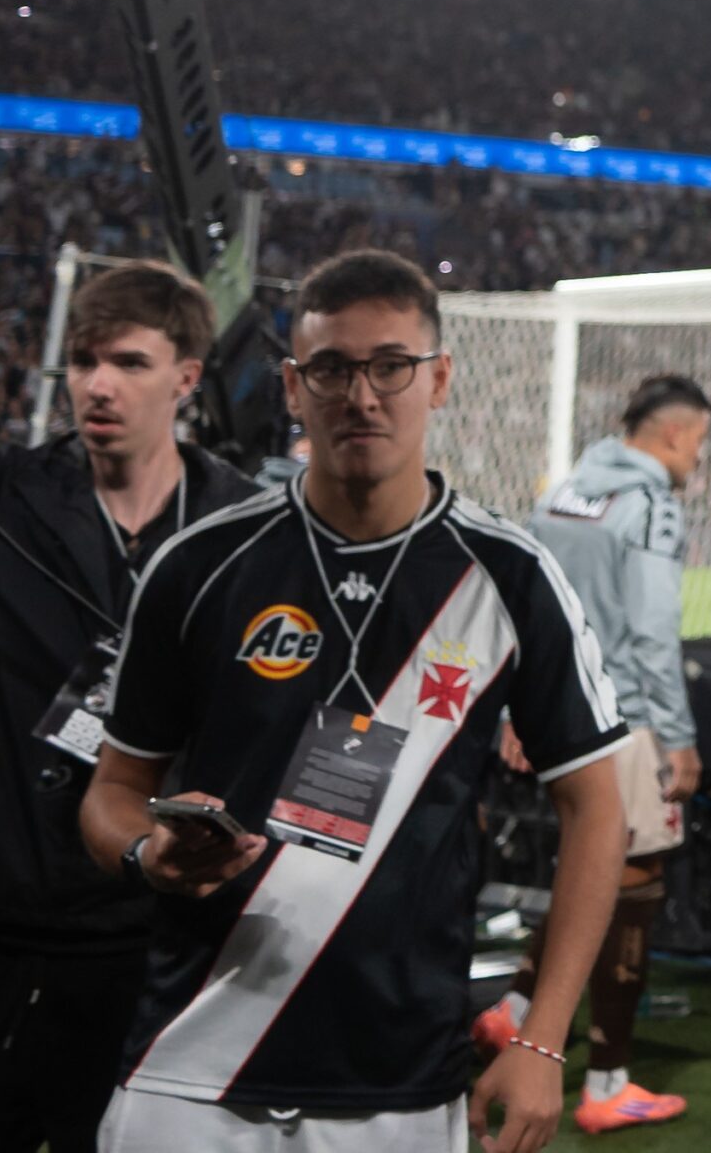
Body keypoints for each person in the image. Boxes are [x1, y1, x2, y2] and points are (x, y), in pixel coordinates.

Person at [77, 249, 632, 1153]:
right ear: (294, 388)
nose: (361, 395)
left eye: (391, 366)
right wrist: (147, 852)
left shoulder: (512, 579)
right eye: (331, 368)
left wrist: (540, 1036)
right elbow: (109, 791)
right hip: (186, 1072)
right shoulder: (198, 566)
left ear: (439, 378)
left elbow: (598, 808)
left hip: (400, 1086)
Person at [0, 262, 257, 1153]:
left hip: (155, 938)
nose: (98, 384)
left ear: (187, 377)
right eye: (82, 362)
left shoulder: (244, 529)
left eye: (128, 361)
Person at [473, 375, 711, 1134]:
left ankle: (511, 1012)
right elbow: (651, 631)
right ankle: (608, 1081)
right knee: (632, 884)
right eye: (701, 444)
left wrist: (520, 706)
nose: (698, 461)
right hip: (625, 721)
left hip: (556, 714)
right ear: (676, 434)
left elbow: (520, 603)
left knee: (582, 867)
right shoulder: (650, 506)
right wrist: (677, 737)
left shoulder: (565, 491)